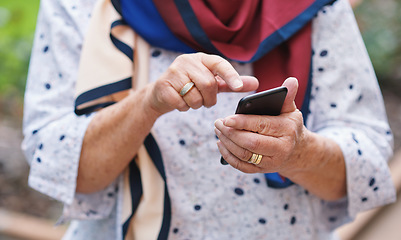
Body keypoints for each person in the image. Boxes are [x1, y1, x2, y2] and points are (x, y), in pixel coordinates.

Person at [22, 0, 395, 239]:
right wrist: (148, 103)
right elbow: (55, 162)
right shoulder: (80, 6)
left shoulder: (315, 6)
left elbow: (368, 161)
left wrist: (299, 152)